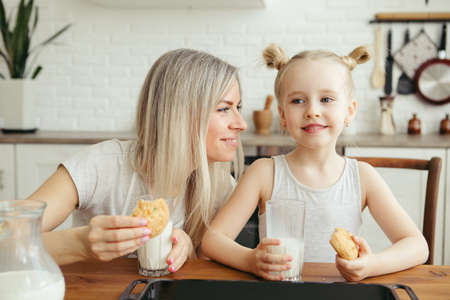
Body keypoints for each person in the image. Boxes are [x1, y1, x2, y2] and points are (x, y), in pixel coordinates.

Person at [201, 44, 428, 281]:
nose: (312, 111)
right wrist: (250, 260)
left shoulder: (362, 176)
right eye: (298, 101)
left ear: (349, 111)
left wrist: (371, 265)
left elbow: (416, 246)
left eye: (326, 99)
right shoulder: (264, 173)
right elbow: (213, 241)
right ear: (283, 116)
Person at [28, 49, 247, 272]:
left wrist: (188, 250)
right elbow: (6, 236)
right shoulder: (102, 165)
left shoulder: (221, 187)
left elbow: (206, 278)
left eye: (238, 108)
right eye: (224, 109)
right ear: (178, 114)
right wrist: (79, 244)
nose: (242, 124)